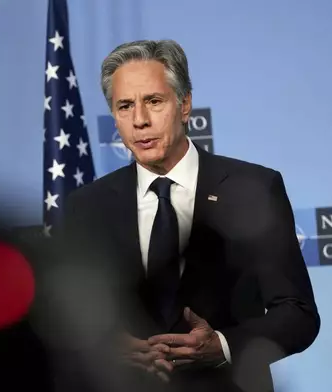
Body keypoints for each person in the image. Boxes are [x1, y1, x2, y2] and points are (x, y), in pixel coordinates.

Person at [58, 39, 320, 392]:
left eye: (153, 101)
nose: (140, 120)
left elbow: (298, 314)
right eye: (124, 106)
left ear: (184, 105)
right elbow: (65, 321)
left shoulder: (255, 187)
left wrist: (224, 346)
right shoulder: (86, 205)